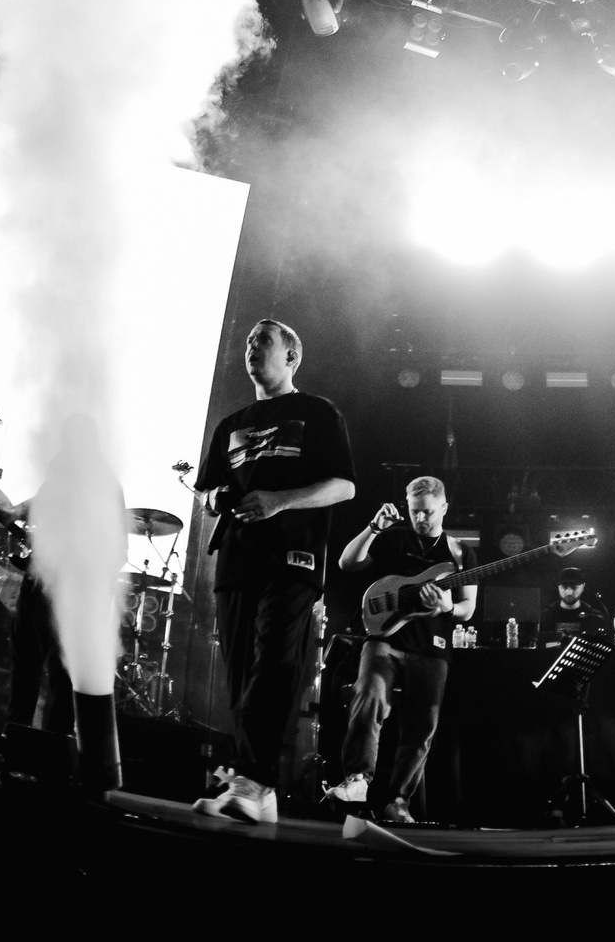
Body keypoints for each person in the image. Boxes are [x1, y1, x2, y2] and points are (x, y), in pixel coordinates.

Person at [190, 319, 356, 824]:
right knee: (242, 673)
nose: (252, 348)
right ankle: (258, 792)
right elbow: (207, 494)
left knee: (274, 659)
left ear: (292, 357)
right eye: (247, 343)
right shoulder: (230, 424)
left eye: (264, 341)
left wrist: (280, 502)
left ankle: (252, 779)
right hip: (237, 561)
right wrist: (216, 497)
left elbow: (344, 487)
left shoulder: (318, 413)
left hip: (294, 557)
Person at [327, 476, 473, 823]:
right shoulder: (392, 537)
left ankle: (398, 802)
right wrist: (373, 529)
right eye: (414, 512)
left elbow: (468, 607)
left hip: (432, 648)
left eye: (427, 512)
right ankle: (358, 779)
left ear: (444, 508)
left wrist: (446, 608)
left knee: (421, 728)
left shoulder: (459, 552)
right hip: (385, 639)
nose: (420, 519)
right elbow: (347, 564)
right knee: (369, 696)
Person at [544, 569, 612, 648]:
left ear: (583, 587)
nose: (569, 592)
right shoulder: (546, 616)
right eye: (564, 587)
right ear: (558, 587)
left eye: (574, 587)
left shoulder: (595, 617)